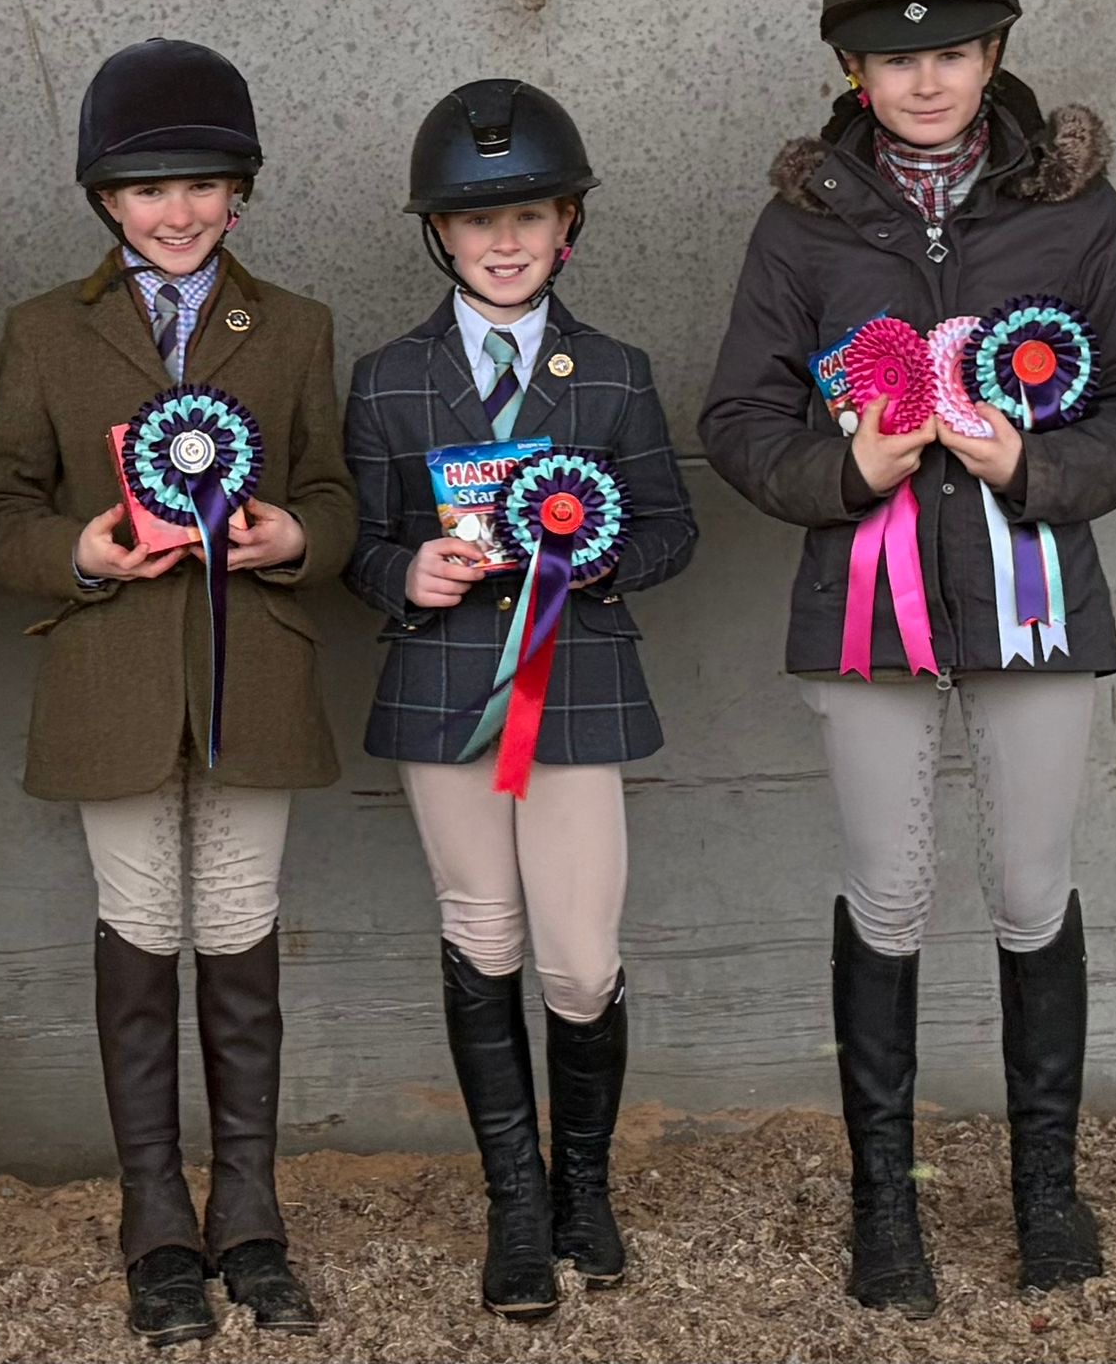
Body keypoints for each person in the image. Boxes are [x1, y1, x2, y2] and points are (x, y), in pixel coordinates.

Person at [698, 0, 1116, 1316]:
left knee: (1031, 887)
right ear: (849, 72)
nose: (925, 79)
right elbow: (735, 418)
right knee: (891, 892)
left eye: (953, 52)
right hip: (864, 612)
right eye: (893, 58)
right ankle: (885, 1203)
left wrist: (1034, 466)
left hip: (1034, 604)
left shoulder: (1078, 212)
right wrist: (842, 471)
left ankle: (1047, 1188)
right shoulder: (799, 228)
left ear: (993, 55)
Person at [0, 38, 357, 1345]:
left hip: (255, 674)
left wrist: (292, 538)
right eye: (147, 189)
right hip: (113, 674)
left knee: (240, 928)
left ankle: (248, 1212)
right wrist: (78, 550)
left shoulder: (294, 325)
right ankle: (154, 1217)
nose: (176, 211)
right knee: (137, 928)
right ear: (105, 200)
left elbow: (335, 491)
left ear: (238, 193)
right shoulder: (45, 332)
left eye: (200, 185)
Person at [342, 78, 697, 1319]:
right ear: (438, 233)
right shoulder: (387, 379)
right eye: (477, 221)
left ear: (566, 225)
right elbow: (357, 541)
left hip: (576, 681)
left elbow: (671, 525)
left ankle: (582, 1186)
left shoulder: (613, 374)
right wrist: (406, 570)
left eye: (529, 217)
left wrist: (599, 555)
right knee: (480, 932)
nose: (504, 242)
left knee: (579, 961)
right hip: (445, 686)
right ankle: (513, 1204)